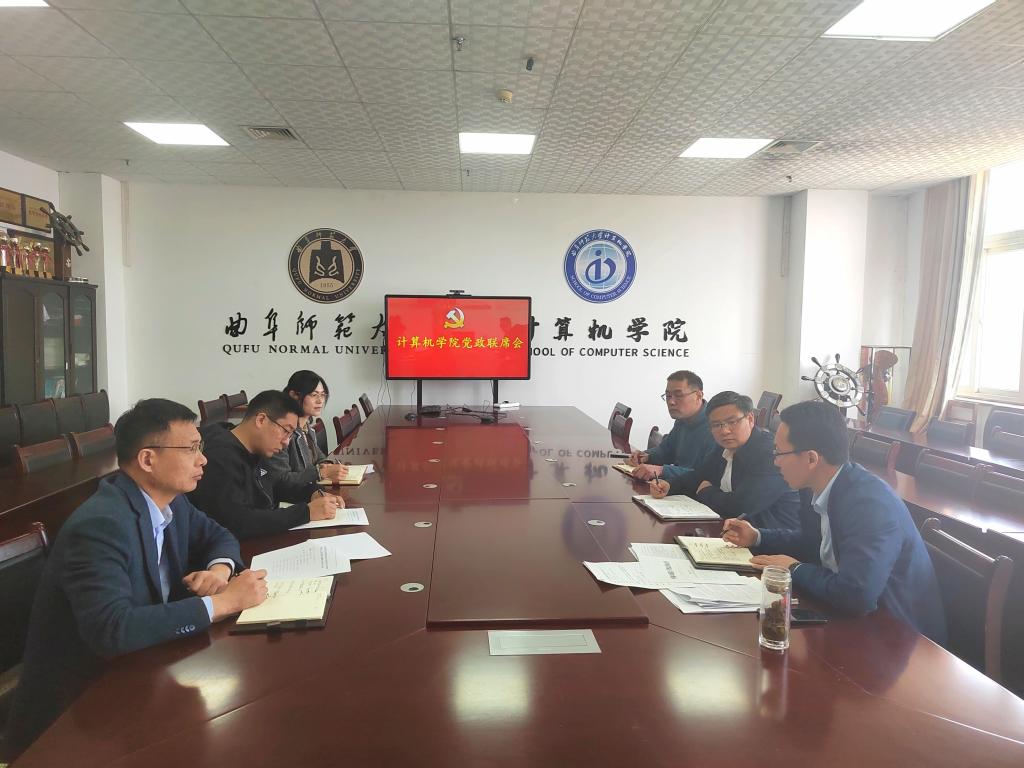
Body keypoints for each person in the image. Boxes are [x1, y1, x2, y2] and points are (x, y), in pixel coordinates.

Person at [4, 399, 269, 757]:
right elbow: (112, 628)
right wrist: (223, 603)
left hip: (142, 672)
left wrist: (219, 569)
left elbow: (218, 536)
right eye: (191, 449)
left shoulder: (171, 501)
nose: (203, 459)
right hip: (77, 717)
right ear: (147, 460)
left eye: (200, 447)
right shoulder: (101, 525)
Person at [722, 400, 946, 642]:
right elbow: (811, 541)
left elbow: (857, 595)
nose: (775, 461)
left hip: (900, 637)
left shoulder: (868, 504)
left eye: (779, 453)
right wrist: (757, 536)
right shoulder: (816, 485)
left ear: (811, 458)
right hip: (850, 618)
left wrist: (795, 569)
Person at [190, 389, 342, 540]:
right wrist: (306, 513)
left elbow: (274, 485)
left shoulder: (254, 447)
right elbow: (237, 521)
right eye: (286, 431)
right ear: (261, 420)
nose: (286, 442)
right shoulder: (220, 457)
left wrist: (311, 493)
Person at [649, 391, 800, 530]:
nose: (725, 431)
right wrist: (670, 486)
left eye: (732, 422)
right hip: (732, 531)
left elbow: (740, 506)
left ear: (750, 419)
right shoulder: (724, 446)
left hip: (770, 538)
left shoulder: (769, 454)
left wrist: (706, 491)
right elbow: (699, 475)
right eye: (716, 425)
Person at [262, 370, 349, 499]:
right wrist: (321, 472)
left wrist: (328, 465)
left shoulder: (306, 425)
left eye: (323, 395)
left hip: (308, 493)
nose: (320, 401)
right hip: (288, 501)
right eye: (314, 395)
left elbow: (318, 455)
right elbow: (282, 481)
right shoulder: (281, 431)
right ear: (294, 395)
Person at [627, 370, 717, 482]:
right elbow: (666, 450)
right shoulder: (682, 420)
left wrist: (662, 470)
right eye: (668, 396)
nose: (671, 402)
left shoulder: (717, 427)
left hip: (695, 490)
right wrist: (647, 456)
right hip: (675, 485)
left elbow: (705, 475)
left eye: (678, 395)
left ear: (698, 396)